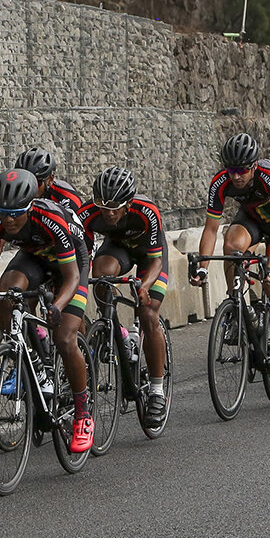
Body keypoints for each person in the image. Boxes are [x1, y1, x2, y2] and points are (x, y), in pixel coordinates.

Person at [0, 169, 96, 454]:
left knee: (66, 337)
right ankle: (34, 361)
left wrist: (57, 307)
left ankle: (83, 415)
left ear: (31, 206)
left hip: (70, 263)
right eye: (2, 212)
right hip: (36, 257)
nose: (8, 219)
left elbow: (71, 277)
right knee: (8, 291)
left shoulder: (51, 218)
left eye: (16, 213)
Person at [194, 133, 270, 387]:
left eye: (242, 170)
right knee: (231, 246)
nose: (236, 177)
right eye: (231, 170)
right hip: (251, 219)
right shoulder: (220, 182)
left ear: (253, 166)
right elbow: (210, 230)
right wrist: (203, 267)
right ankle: (241, 305)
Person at [83, 166, 171, 428]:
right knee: (100, 276)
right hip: (117, 249)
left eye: (115, 207)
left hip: (149, 258)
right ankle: (117, 332)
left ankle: (156, 390)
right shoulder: (88, 214)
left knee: (147, 312)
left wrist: (144, 286)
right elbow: (82, 258)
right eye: (103, 206)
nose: (108, 212)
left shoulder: (147, 212)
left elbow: (156, 261)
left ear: (129, 203)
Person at [15, 147, 85, 221]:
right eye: (23, 182)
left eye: (37, 183)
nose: (29, 188)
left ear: (50, 180)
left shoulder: (66, 195)